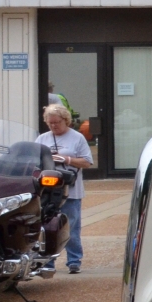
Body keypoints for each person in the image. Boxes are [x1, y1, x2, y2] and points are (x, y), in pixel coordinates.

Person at [36, 103, 94, 274]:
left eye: (57, 122)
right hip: (48, 190)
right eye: (50, 123)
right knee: (46, 226)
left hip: (71, 191)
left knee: (71, 226)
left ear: (65, 120)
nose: (54, 126)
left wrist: (66, 159)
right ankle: (47, 262)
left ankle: (74, 260)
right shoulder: (42, 139)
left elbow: (87, 162)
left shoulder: (77, 138)